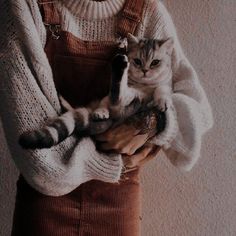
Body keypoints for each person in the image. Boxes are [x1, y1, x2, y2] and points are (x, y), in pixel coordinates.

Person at [0, 0, 213, 235]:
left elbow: (197, 109)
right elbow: (39, 164)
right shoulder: (25, 7)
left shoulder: (146, 11)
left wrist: (151, 122)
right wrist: (115, 163)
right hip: (44, 205)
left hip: (118, 205)